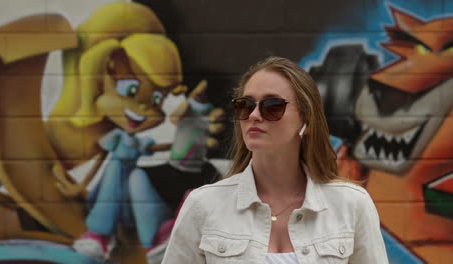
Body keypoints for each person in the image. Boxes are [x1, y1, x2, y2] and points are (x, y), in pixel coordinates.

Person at [161, 56, 388, 263]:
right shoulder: (204, 205)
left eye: (272, 106)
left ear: (306, 120)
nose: (254, 115)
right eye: (246, 105)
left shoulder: (351, 205)